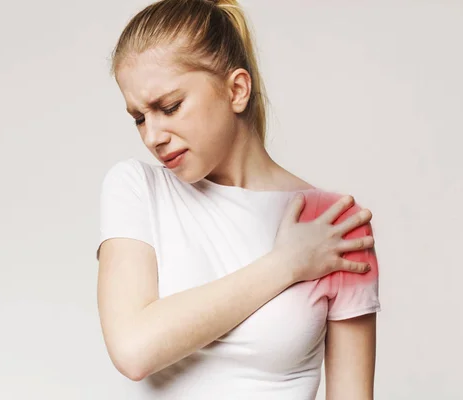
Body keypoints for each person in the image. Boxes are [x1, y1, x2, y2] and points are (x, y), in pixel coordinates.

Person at [95, 0, 381, 398]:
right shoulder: (137, 188)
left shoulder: (332, 222)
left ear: (237, 89)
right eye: (140, 117)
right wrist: (286, 264)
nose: (152, 136)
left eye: (170, 107)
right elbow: (134, 350)